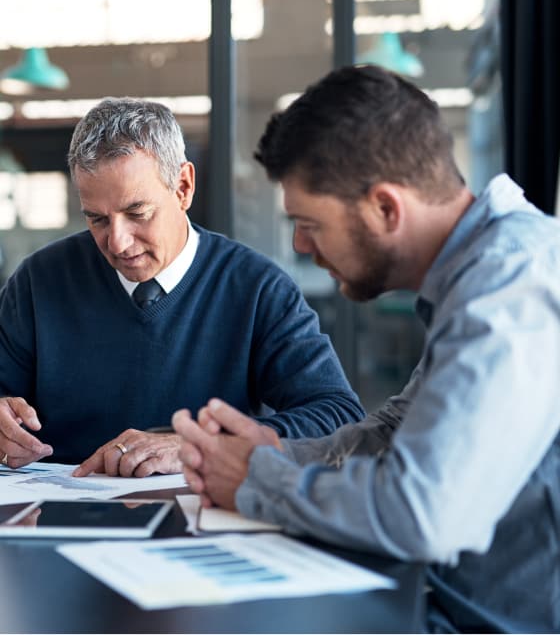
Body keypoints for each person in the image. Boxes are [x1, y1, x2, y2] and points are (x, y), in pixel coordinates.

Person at [172, 64, 560, 633]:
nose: (302, 246)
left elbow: (426, 514)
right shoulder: (477, 272)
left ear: (386, 208)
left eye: (309, 223)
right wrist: (276, 451)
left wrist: (259, 482)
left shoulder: (509, 287)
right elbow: (398, 430)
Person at [0, 97, 364, 477]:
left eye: (137, 213)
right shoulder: (37, 283)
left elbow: (338, 417)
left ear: (183, 188)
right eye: (97, 220)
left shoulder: (257, 289)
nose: (118, 242)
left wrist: (202, 446)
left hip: (203, 517)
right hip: (58, 516)